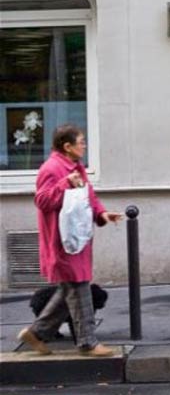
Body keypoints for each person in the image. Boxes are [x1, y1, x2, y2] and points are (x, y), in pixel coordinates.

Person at [17, 124, 123, 356]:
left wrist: (102, 214)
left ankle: (37, 333)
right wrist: (65, 184)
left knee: (71, 288)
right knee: (78, 284)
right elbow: (43, 201)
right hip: (62, 240)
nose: (84, 145)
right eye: (81, 142)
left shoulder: (75, 167)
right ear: (67, 146)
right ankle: (87, 342)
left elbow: (88, 196)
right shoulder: (52, 169)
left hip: (76, 238)